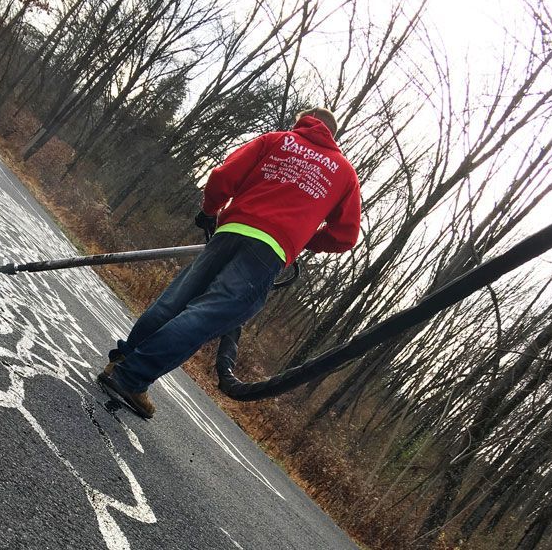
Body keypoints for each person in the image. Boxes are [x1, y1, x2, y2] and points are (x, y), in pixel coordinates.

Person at [98, 107, 361, 418]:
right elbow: (345, 236)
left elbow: (223, 177)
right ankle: (130, 378)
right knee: (205, 316)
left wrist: (210, 210)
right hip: (269, 251)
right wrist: (304, 239)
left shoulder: (277, 140)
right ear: (333, 134)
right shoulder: (344, 173)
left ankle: (122, 361)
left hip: (230, 230)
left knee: (175, 301)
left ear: (302, 123)